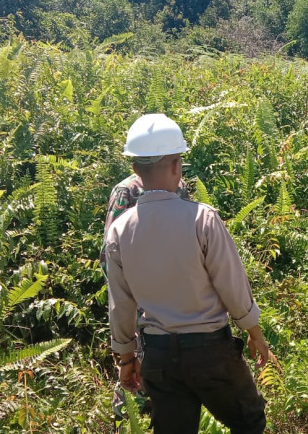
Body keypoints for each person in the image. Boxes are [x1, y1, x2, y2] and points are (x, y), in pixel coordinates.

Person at [105, 113, 277, 433]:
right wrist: (255, 333)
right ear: (175, 165)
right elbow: (233, 287)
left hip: (157, 357)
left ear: (135, 169)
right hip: (211, 352)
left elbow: (121, 305)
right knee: (250, 420)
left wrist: (126, 358)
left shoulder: (118, 231)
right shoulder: (202, 219)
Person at [103, 136, 190, 424]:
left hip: (176, 301)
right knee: (137, 368)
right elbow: (111, 256)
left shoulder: (180, 187)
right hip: (141, 303)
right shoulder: (127, 191)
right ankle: (126, 421)